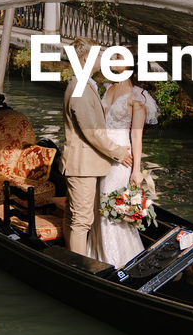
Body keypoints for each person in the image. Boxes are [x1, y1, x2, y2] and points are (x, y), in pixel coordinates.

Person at [61, 37, 132, 257]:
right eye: (99, 54)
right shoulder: (80, 88)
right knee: (81, 222)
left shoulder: (85, 84)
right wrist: (119, 152)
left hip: (85, 164)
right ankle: (79, 269)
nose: (102, 58)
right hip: (81, 165)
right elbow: (93, 133)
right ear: (86, 59)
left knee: (75, 217)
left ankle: (72, 259)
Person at [90, 76, 159, 269]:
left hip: (122, 157)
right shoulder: (109, 87)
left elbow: (137, 136)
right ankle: (97, 255)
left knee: (112, 210)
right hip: (102, 152)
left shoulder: (138, 95)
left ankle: (116, 262)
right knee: (98, 207)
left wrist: (136, 171)